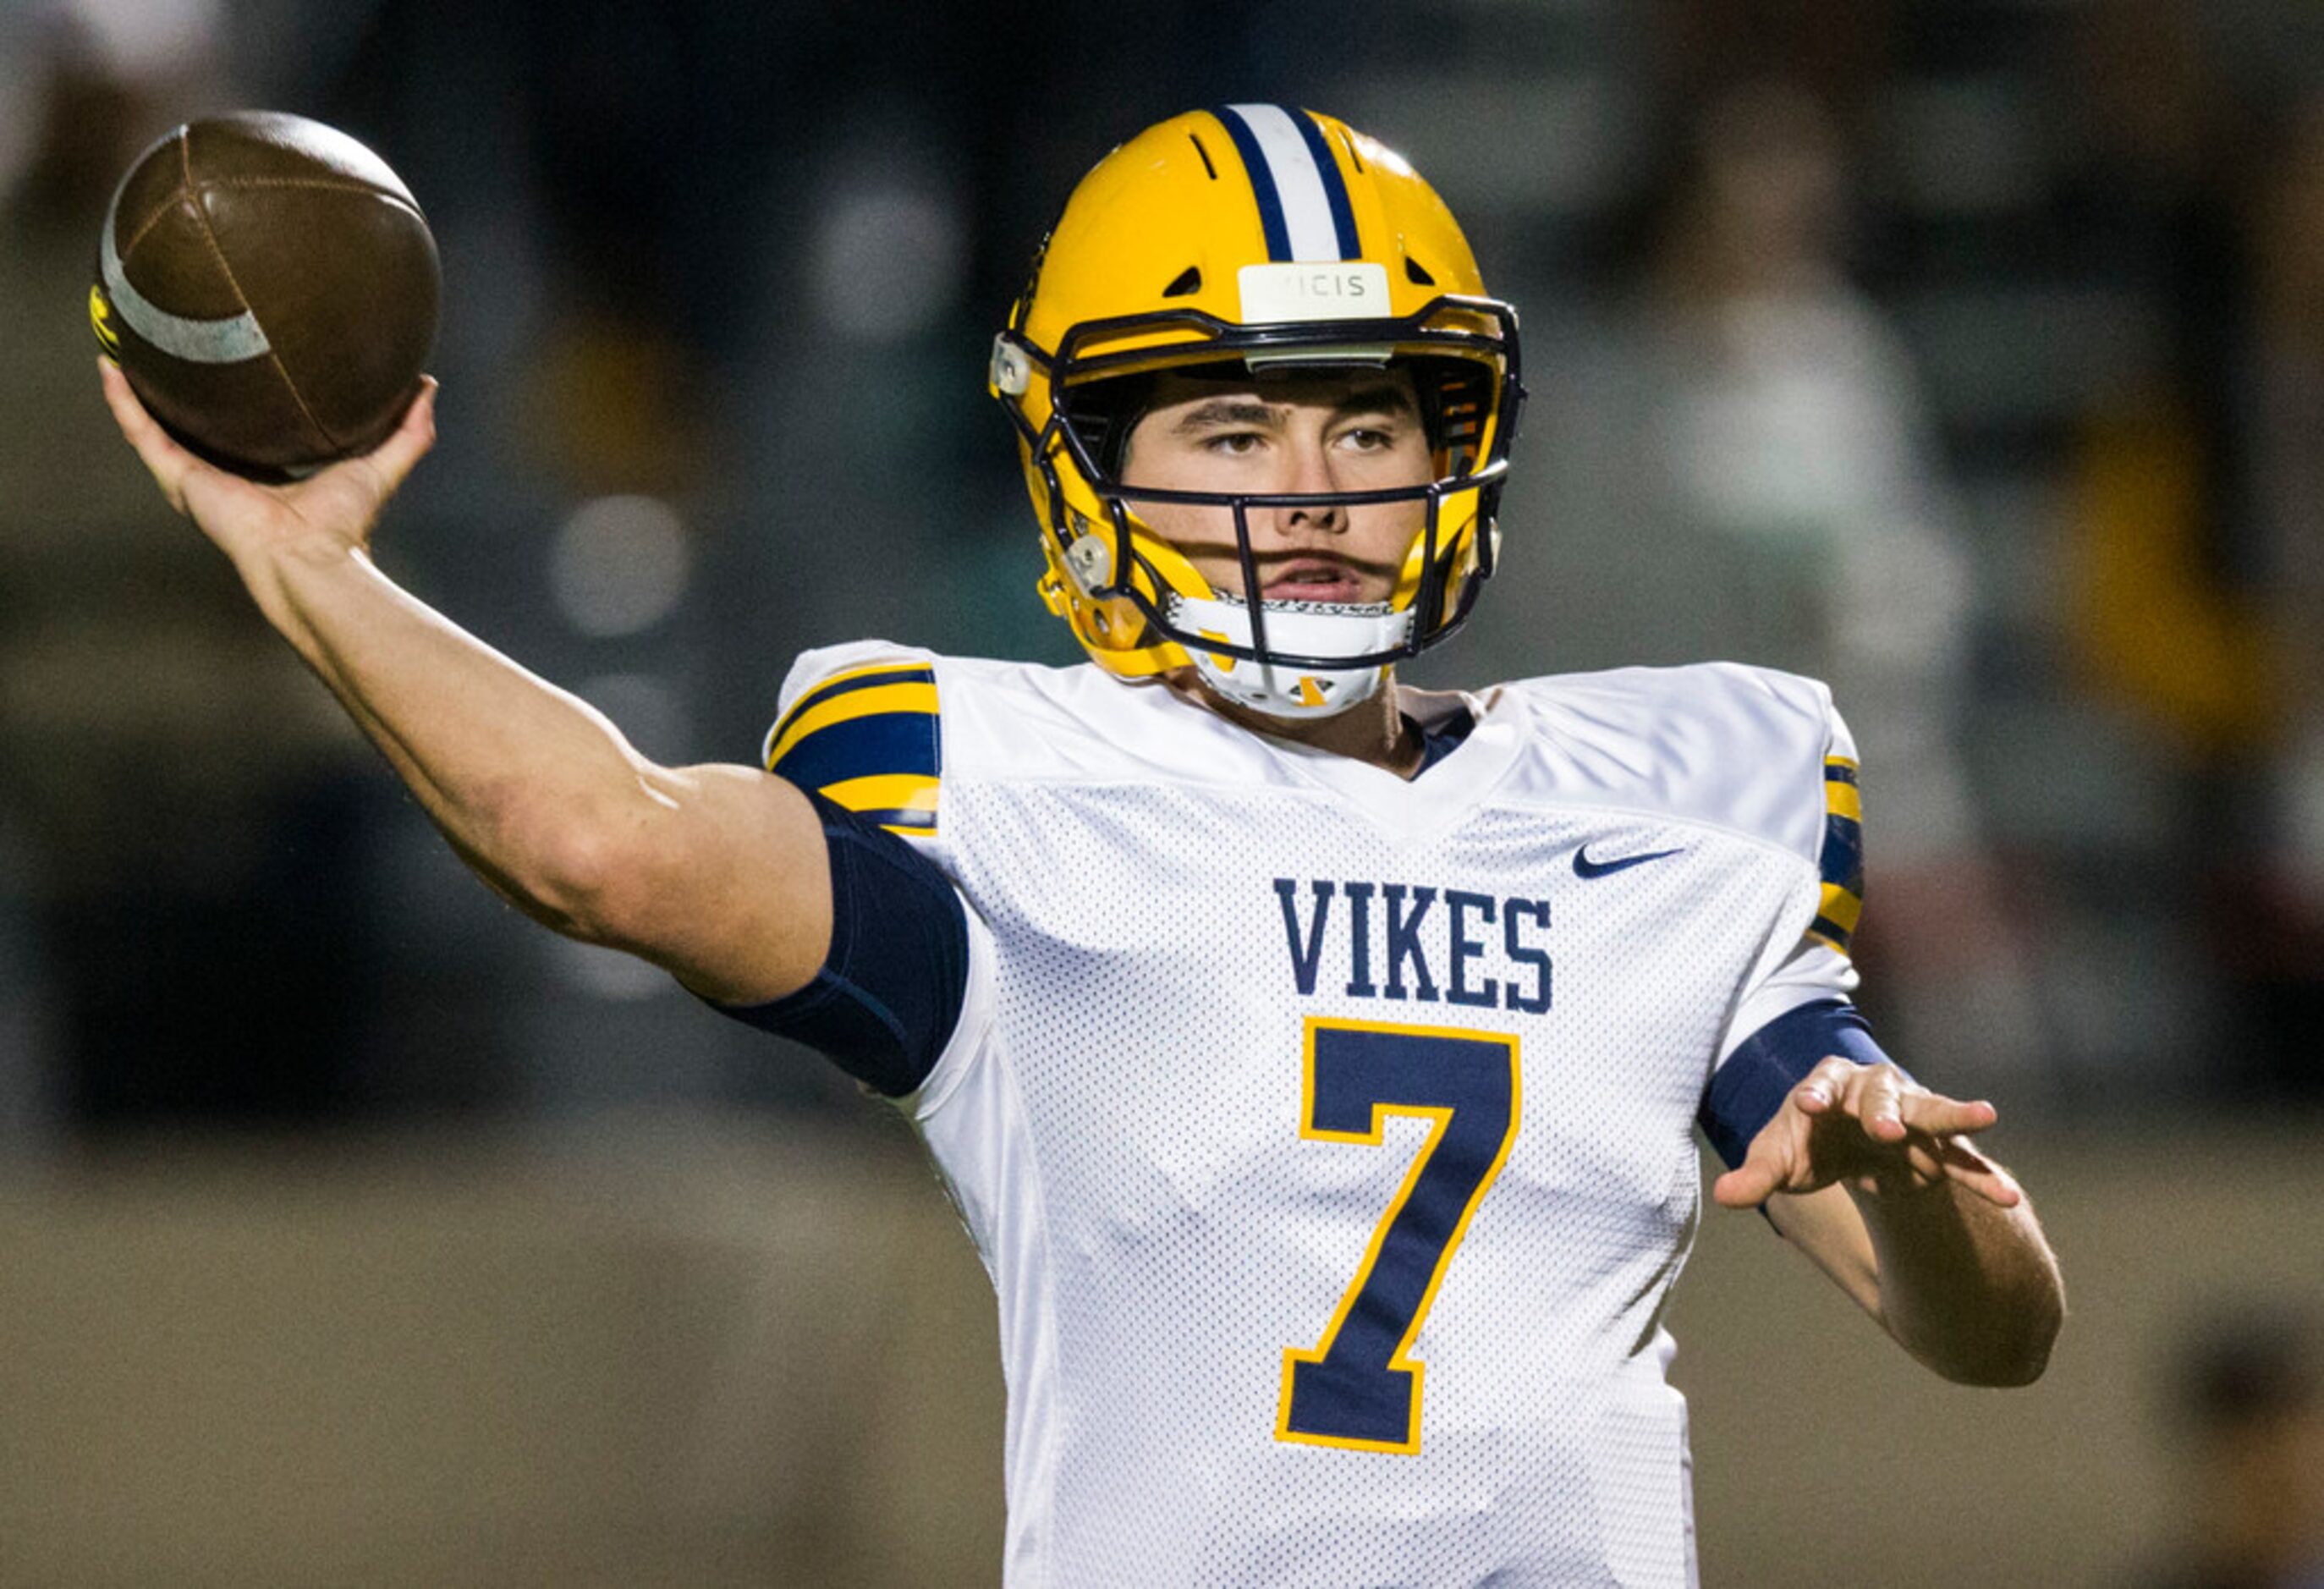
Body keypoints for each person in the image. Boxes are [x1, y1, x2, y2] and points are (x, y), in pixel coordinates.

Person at [101, 103, 2063, 1587]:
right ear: (1084, 467)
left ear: (1450, 447)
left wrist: (1911, 1191)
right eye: (1227, 435)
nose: (1307, 495)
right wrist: (317, 574)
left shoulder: (1672, 796)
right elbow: (603, 847)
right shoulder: (1022, 808)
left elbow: (1992, 1335)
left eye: (1363, 431)